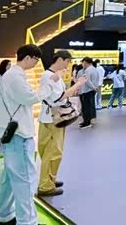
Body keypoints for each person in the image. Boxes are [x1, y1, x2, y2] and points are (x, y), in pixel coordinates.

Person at [0, 45, 84, 225]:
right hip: (19, 134)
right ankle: (27, 221)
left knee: (11, 179)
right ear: (28, 58)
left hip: (15, 132)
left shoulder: (13, 76)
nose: (36, 63)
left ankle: (2, 216)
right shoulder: (16, 77)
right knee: (25, 179)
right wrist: (51, 84)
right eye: (35, 60)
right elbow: (32, 98)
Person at [38, 50, 83, 197]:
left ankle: (50, 179)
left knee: (50, 151)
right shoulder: (51, 76)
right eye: (67, 61)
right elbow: (60, 98)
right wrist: (78, 84)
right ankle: (45, 185)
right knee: (53, 152)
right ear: (60, 60)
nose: (68, 64)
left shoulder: (50, 75)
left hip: (50, 118)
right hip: (53, 119)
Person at [78, 57, 99, 129]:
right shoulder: (95, 69)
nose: (82, 64)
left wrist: (93, 87)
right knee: (90, 106)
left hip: (87, 90)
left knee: (86, 107)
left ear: (86, 63)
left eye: (83, 63)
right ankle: (89, 121)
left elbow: (87, 81)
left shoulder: (87, 70)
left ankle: (86, 122)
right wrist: (95, 88)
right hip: (92, 90)